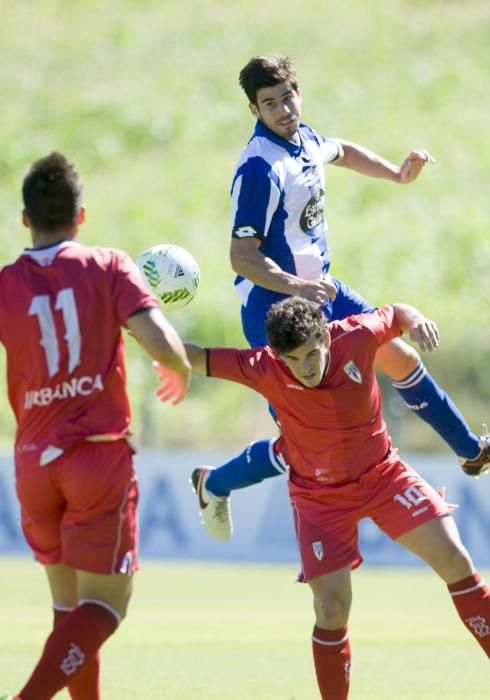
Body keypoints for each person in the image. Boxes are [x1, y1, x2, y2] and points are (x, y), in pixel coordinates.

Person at [190, 54, 489, 540]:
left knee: (398, 355)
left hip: (322, 289)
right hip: (276, 307)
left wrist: (396, 173)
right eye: (270, 104)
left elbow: (340, 151)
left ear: (298, 93)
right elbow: (241, 257)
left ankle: (471, 451)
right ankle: (214, 483)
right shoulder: (259, 169)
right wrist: (297, 286)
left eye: (288, 97)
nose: (283, 110)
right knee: (303, 443)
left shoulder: (305, 138)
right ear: (254, 110)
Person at [155, 297, 490, 699]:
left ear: (326, 337)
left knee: (456, 560)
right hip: (319, 499)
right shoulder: (263, 366)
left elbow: (396, 313)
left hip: (384, 477)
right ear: (278, 356)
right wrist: (134, 325)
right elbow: (196, 356)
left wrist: (416, 319)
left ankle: (215, 484)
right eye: (294, 360)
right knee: (332, 609)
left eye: (313, 353)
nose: (307, 367)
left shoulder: (357, 335)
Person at [0, 153, 191, 700]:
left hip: (33, 459)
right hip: (95, 456)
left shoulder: (7, 282)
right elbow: (161, 343)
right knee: (106, 606)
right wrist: (176, 369)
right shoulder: (107, 265)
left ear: (25, 218)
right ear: (81, 215)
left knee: (70, 610)